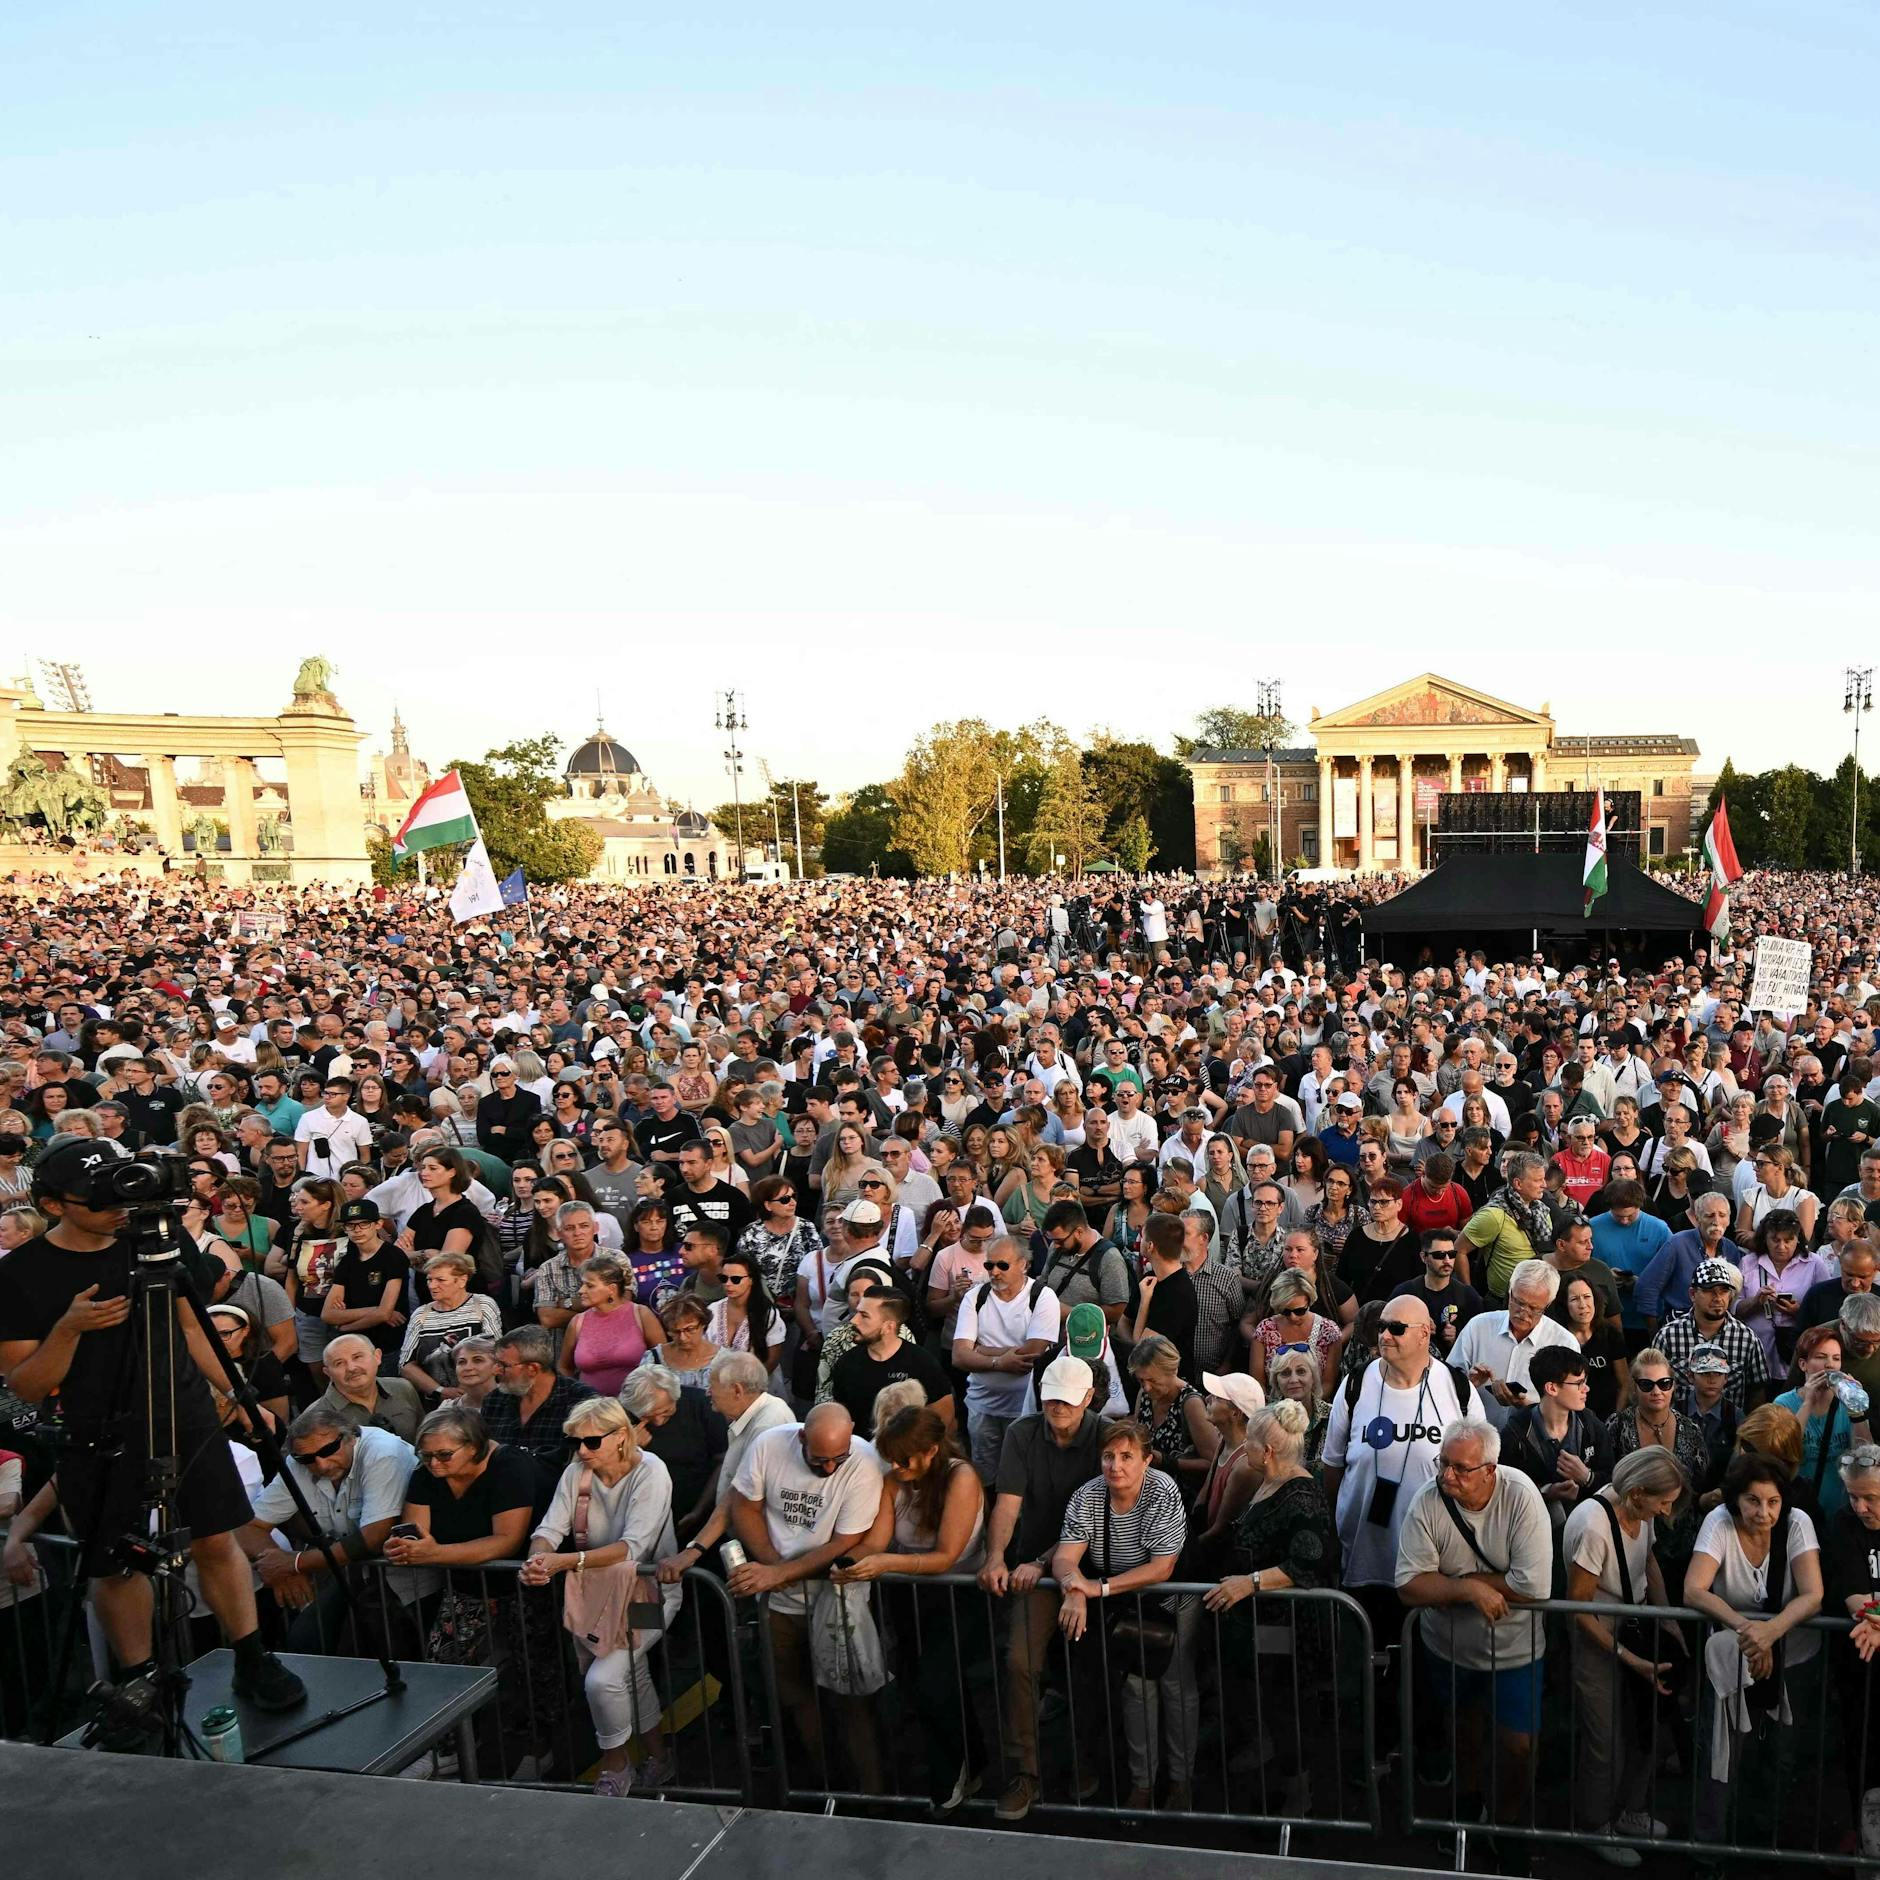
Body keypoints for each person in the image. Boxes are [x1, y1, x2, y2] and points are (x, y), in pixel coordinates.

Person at [0, 1138, 305, 1715]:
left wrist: (238, 1395)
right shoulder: (21, 1274)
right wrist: (68, 1329)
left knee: (218, 1537)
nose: (116, 1205)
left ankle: (251, 1657)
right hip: (96, 1428)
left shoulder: (155, 1240)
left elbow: (194, 1329)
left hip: (183, 1411)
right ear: (53, 1204)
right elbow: (26, 1385)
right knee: (116, 1562)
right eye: (96, 1198)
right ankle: (141, 1681)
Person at [1396, 1418, 1552, 1849]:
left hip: (1515, 1652)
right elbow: (1409, 1584)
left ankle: (1507, 1823)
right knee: (1463, 1732)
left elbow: (1534, 1585)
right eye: (1443, 1463)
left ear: (1490, 1470)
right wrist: (1471, 1587)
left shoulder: (1520, 1497)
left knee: (1519, 1746)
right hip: (1448, 1648)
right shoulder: (1428, 1500)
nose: (1447, 1475)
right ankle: (1466, 1805)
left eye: (1460, 1468)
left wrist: (1448, 1583)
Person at [520, 1396, 681, 1797]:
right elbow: (549, 1528)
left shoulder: (653, 1473)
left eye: (591, 1442)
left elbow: (634, 1548)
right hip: (596, 1594)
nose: (581, 1451)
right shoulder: (578, 1472)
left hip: (651, 1595)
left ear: (621, 1437)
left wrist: (562, 1563)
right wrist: (538, 1558)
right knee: (631, 1673)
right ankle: (660, 1760)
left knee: (603, 1679)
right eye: (576, 1442)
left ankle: (616, 1763)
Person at [831, 1404, 990, 1810]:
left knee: (937, 1685)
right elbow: (877, 1541)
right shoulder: (893, 1482)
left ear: (931, 1451)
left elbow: (946, 1556)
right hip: (909, 1596)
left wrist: (884, 1564)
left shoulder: (962, 1477)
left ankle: (951, 1774)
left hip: (956, 1595)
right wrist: (850, 1561)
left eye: (904, 1459)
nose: (897, 1466)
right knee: (922, 1686)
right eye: (891, 1459)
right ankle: (970, 1763)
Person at [727, 1405, 886, 1794]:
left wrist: (778, 1573)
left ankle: (874, 1792)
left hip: (838, 1599)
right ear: (800, 1437)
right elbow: (743, 1504)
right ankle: (823, 1783)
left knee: (851, 1700)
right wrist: (770, 1562)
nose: (830, 1468)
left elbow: (845, 1541)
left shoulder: (864, 1462)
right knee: (796, 1695)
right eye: (819, 1459)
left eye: (838, 1458)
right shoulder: (769, 1445)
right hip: (780, 1602)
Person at [981, 1352, 1108, 1820]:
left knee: (1088, 1670)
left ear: (1089, 1399)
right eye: (1051, 1399)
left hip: (1091, 1573)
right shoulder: (1021, 1433)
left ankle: (1086, 1762)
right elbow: (1007, 1504)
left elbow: (1097, 1514)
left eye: (1068, 1402)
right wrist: (996, 1556)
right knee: (1019, 1661)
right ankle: (1026, 1773)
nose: (1058, 1409)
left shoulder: (1105, 1437)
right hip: (1034, 1572)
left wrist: (1040, 1562)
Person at [1682, 1452, 1824, 1863]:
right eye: (1753, 1501)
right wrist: (1751, 1634)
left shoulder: (1798, 1524)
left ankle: (1765, 1843)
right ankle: (1708, 1852)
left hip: (1793, 1658)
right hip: (1731, 1661)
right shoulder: (1719, 1523)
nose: (1764, 1512)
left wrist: (1770, 1633)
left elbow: (1813, 1594)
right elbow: (1694, 1589)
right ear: (1735, 1500)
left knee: (1780, 1753)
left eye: (1773, 1502)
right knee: (1722, 1755)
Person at [1202, 1397, 1339, 1815]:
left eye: (1251, 1445)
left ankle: (1298, 1794)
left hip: (1287, 1627)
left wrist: (1252, 1583)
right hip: (1258, 1623)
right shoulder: (1266, 1479)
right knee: (1264, 1697)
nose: (1244, 1450)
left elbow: (1309, 1562)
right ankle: (1267, 1758)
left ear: (1268, 1450)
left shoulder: (1302, 1495)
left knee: (1287, 1708)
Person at [1053, 1417, 1198, 1812]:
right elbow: (1066, 1557)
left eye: (1126, 1456)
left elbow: (1162, 1567)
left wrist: (1095, 1588)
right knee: (1136, 1690)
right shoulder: (1087, 1495)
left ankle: (1181, 1782)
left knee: (1175, 1687)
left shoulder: (1163, 1490)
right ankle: (1142, 1783)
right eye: (1108, 1456)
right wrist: (1073, 1589)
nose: (1115, 1466)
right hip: (1128, 1607)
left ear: (1147, 1460)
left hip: (1173, 1603)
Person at [1321, 1295, 1473, 1658]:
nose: (1385, 1335)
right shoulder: (1356, 1384)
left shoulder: (1455, 1386)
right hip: (1364, 1558)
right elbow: (1333, 1462)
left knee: (1424, 1668)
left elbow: (1478, 1463)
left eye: (1397, 1328)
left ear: (1425, 1334)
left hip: (1433, 1565)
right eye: (1381, 1327)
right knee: (1368, 1668)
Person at [1560, 1447, 1689, 1862]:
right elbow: (1578, 1606)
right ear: (1636, 1495)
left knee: (1648, 1725)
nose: (1668, 1512)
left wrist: (1667, 1618)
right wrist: (1627, 1658)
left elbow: (1647, 1559)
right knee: (1606, 1739)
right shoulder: (1594, 1527)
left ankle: (1631, 1810)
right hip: (1598, 1630)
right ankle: (1596, 1825)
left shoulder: (1639, 1512)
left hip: (1636, 1623)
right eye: (1663, 1503)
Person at [237, 1403, 431, 1657]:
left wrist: (294, 1564)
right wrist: (283, 1570)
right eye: (307, 1459)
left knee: (396, 1655)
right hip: (353, 1574)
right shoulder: (298, 1463)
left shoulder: (383, 1452)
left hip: (407, 1580)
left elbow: (373, 1538)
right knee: (307, 1641)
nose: (322, 1464)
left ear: (351, 1436)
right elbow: (247, 1527)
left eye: (329, 1450)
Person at [656, 1348, 795, 1578]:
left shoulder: (767, 1424)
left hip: (761, 1545)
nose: (708, 1392)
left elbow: (737, 1494)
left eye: (713, 1386)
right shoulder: (752, 1417)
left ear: (737, 1390)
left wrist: (694, 1550)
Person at [953, 1234, 1061, 1483]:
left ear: (1023, 1264)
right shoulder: (975, 1297)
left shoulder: (1042, 1297)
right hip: (981, 1407)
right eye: (989, 1265)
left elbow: (1030, 1356)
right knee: (984, 1478)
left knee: (1022, 1477)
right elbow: (959, 1356)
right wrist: (1000, 1361)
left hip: (1025, 1409)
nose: (994, 1272)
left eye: (1003, 1265)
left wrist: (981, 1349)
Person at [1821, 1442, 1880, 1858]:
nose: (1860, 1507)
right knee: (1864, 1755)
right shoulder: (1842, 1524)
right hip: (1861, 1666)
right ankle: (1867, 1840)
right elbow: (1856, 1599)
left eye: (1871, 1497)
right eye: (1853, 1496)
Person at [480, 1324, 597, 1517]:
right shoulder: (494, 1400)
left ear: (533, 1369)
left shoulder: (581, 1402)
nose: (495, 1371)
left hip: (558, 1506)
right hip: (499, 1505)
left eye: (503, 1365)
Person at [1451, 1258, 1579, 1430]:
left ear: (1547, 1305)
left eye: (1534, 1308)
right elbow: (1446, 1383)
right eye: (1518, 1302)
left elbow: (1570, 1403)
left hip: (1534, 1442)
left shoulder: (1564, 1343)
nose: (1522, 1313)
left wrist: (1527, 1406)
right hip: (1477, 1438)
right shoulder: (1479, 1326)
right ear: (1510, 1293)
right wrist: (1468, 1384)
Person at [1501, 1345, 1613, 1533]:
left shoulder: (1592, 1426)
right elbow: (1504, 1492)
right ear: (1552, 1388)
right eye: (1579, 1383)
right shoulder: (1515, 1435)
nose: (1586, 1388)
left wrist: (1587, 1477)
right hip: (1533, 1535)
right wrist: (1546, 1492)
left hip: (1588, 1531)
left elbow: (1613, 1481)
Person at [1774, 1324, 1873, 1522]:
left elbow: (1865, 1457)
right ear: (1803, 1364)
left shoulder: (1847, 1403)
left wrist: (1857, 1411)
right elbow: (1783, 1453)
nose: (1830, 1365)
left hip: (1840, 1512)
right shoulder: (1783, 1403)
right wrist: (1808, 1403)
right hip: (1797, 1510)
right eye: (1821, 1357)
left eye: (1836, 1359)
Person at [829, 1285, 954, 1435]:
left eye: (864, 1315)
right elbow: (840, 1415)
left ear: (888, 1327)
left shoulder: (922, 1364)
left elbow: (944, 1420)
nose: (854, 1321)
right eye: (857, 1313)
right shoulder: (847, 1363)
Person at [1658, 1258, 1769, 1413]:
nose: (1718, 1298)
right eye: (1709, 1290)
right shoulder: (1668, 1336)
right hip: (1677, 1431)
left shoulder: (1747, 1339)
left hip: (1730, 1432)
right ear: (1692, 1294)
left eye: (1724, 1291)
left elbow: (1758, 1392)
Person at [397, 1251, 503, 1403]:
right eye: (429, 1280)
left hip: (482, 1398)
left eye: (440, 1280)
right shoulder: (421, 1314)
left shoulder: (482, 1305)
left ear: (461, 1281)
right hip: (437, 1401)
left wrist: (465, 1390)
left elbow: (495, 1351)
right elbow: (405, 1364)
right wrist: (440, 1391)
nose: (432, 1286)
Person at [319, 1198, 408, 1366]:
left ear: (378, 1224)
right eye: (350, 1225)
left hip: (387, 1344)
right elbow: (328, 1314)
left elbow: (384, 1314)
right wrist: (375, 1310)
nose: (357, 1230)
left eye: (364, 1224)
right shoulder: (347, 1260)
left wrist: (345, 1327)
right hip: (353, 1348)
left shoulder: (393, 1256)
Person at [559, 1255, 664, 1396]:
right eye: (582, 1284)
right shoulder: (577, 1322)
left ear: (611, 1289)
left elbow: (663, 1360)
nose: (581, 1290)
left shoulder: (641, 1314)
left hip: (637, 1406)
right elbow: (565, 1367)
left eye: (589, 1285)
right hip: (591, 1409)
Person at [1127, 1330, 1220, 1489]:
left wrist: (1167, 1462)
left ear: (1173, 1371)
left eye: (1152, 1380)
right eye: (1141, 1380)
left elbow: (1212, 1462)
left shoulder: (1191, 1404)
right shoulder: (1144, 1394)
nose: (1147, 1387)